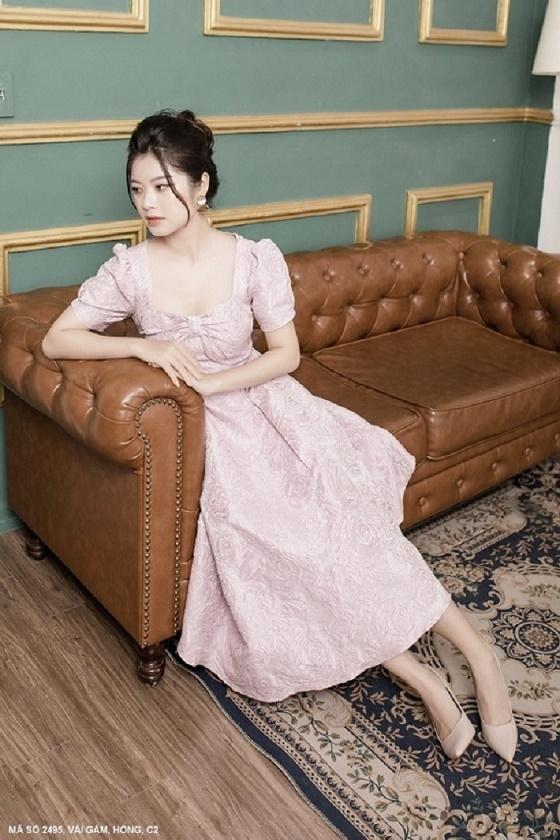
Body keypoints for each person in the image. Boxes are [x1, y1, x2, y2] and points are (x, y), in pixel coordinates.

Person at [42, 108, 517, 763]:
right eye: (137, 189)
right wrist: (145, 346)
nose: (148, 203)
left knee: (352, 534)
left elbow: (286, 355)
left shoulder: (249, 259)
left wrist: (216, 381)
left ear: (201, 186)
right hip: (214, 438)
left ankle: (479, 657)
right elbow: (57, 339)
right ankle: (427, 683)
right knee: (307, 556)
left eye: (163, 186)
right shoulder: (131, 272)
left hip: (270, 409)